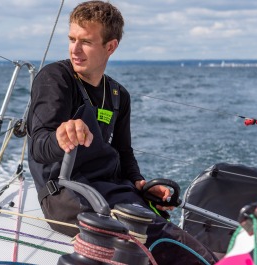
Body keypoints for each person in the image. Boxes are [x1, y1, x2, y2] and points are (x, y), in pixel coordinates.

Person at [27, 1, 217, 264]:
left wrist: (139, 183)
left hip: (112, 188)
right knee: (160, 242)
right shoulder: (55, 79)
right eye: (72, 39)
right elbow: (38, 143)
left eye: (86, 42)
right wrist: (60, 138)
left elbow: (124, 152)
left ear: (110, 46)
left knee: (173, 235)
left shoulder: (118, 95)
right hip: (66, 192)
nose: (75, 49)